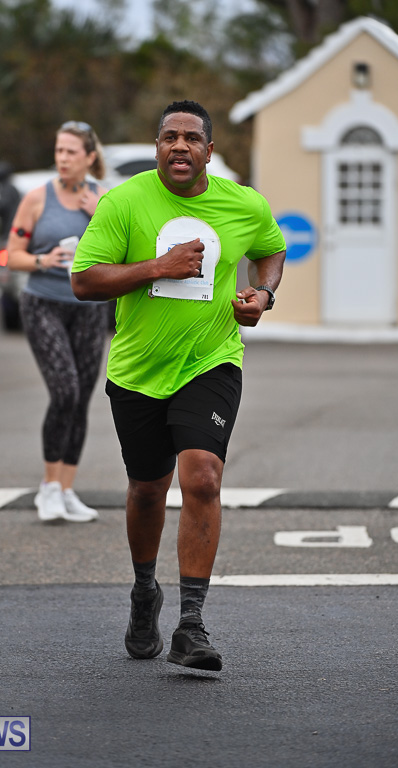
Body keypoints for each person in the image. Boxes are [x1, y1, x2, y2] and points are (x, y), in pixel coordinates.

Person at [71, 100, 286, 671]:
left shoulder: (244, 205)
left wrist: (263, 296)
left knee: (203, 479)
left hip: (211, 360)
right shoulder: (125, 201)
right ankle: (146, 593)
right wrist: (155, 268)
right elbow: (84, 281)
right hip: (138, 371)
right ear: (157, 147)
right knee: (147, 489)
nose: (180, 146)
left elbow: (271, 248)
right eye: (169, 137)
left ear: (210, 151)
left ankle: (191, 625)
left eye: (192, 138)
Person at [7, 121, 108, 524]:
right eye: (59, 150)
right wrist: (41, 260)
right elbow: (11, 254)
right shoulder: (36, 199)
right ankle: (47, 488)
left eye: (70, 152)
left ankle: (66, 489)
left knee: (81, 397)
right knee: (64, 390)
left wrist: (98, 213)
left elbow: (126, 248)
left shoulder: (105, 199)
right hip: (43, 303)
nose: (62, 159)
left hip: (89, 306)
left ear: (89, 158)